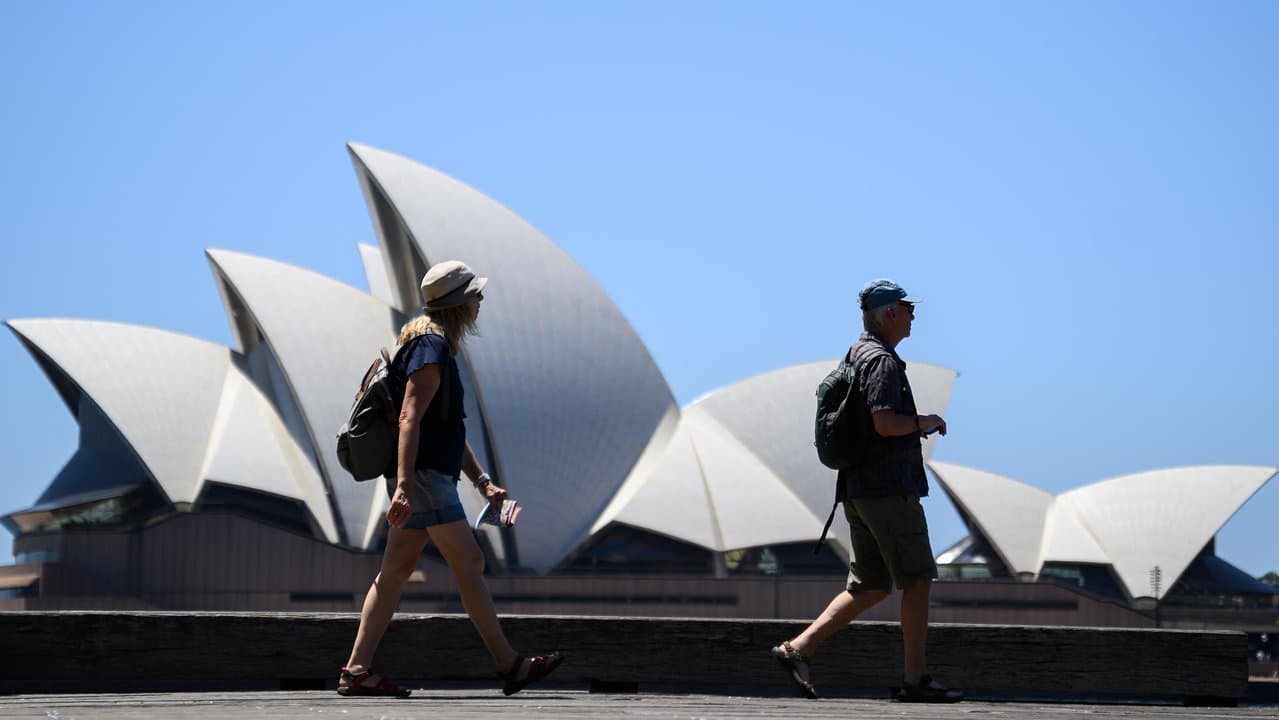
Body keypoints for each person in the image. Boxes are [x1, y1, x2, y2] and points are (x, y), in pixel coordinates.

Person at [338, 260, 563, 698]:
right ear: (460, 302)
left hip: (426, 476)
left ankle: (356, 670)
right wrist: (403, 484)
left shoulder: (432, 344)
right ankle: (510, 665)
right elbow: (409, 418)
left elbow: (447, 429)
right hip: (424, 480)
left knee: (395, 572)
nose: (481, 301)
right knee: (470, 563)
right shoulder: (430, 347)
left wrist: (481, 482)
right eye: (476, 294)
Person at [771, 278, 962, 703]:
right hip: (887, 491)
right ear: (890, 313)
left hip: (857, 489)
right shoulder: (883, 363)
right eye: (908, 308)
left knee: (871, 585)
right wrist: (925, 420)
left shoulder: (857, 354)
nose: (914, 315)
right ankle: (916, 681)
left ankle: (797, 650)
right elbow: (883, 422)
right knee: (917, 580)